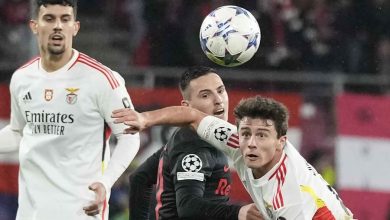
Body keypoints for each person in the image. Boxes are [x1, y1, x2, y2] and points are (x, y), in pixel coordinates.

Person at [0, 0, 140, 219]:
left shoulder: (102, 79)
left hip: (80, 211)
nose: (58, 26)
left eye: (65, 19)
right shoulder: (21, 78)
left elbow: (130, 137)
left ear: (75, 27)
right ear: (34, 26)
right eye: (49, 19)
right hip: (31, 212)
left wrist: (106, 181)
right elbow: (18, 132)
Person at [112, 96, 354, 220]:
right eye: (246, 133)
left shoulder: (285, 195)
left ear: (281, 142)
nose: (250, 143)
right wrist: (146, 119)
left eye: (262, 135)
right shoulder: (235, 141)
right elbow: (192, 116)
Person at [128, 66, 262, 220]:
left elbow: (140, 178)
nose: (218, 100)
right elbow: (188, 207)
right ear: (187, 107)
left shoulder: (187, 137)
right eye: (205, 95)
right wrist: (238, 212)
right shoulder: (193, 148)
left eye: (220, 91)